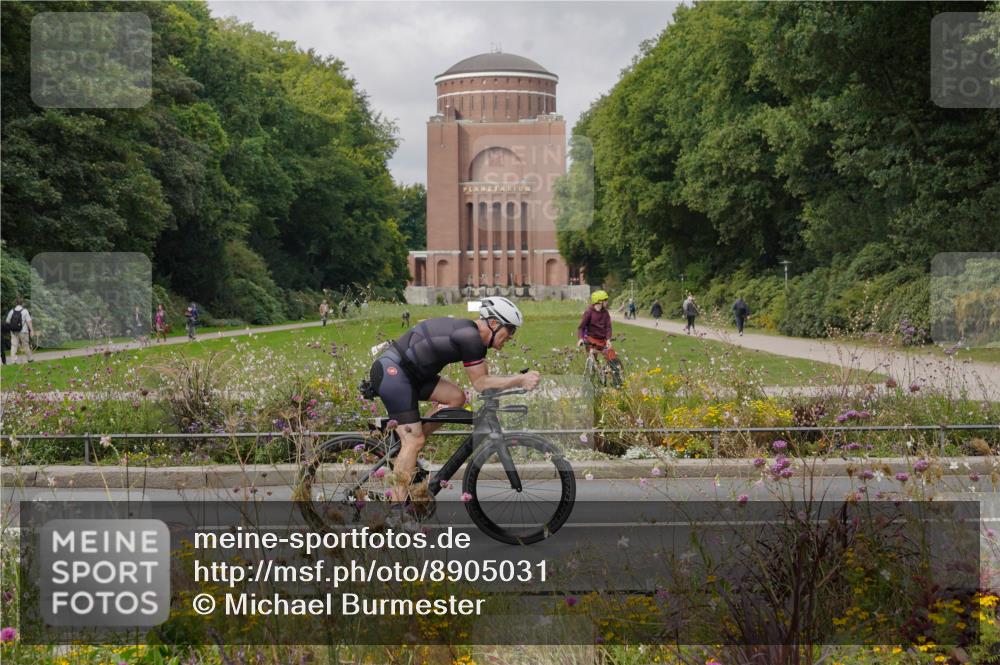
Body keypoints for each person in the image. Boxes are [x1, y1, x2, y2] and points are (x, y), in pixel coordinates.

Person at [368, 297, 537, 505]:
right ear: (493, 323)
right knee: (414, 440)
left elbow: (485, 382)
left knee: (456, 398)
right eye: (510, 330)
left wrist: (504, 387)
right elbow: (481, 383)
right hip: (394, 372)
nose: (511, 337)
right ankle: (396, 509)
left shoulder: (475, 340)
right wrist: (519, 380)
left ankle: (408, 447)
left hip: (411, 374)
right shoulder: (470, 337)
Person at [576, 290, 619, 364]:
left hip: (603, 340)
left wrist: (608, 339)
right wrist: (581, 339)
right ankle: (594, 371)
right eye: (605, 300)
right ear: (599, 302)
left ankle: (616, 373)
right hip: (592, 340)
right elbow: (581, 327)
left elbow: (608, 327)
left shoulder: (605, 313)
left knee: (612, 357)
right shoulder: (589, 312)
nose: (607, 302)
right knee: (593, 362)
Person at [5, 297, 34, 363]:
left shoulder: (11, 311)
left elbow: (7, 321)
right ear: (22, 303)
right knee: (26, 345)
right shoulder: (25, 311)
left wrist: (12, 327)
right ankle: (30, 359)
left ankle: (13, 361)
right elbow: (29, 321)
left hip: (14, 331)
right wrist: (31, 330)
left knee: (14, 345)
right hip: (23, 331)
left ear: (15, 303)